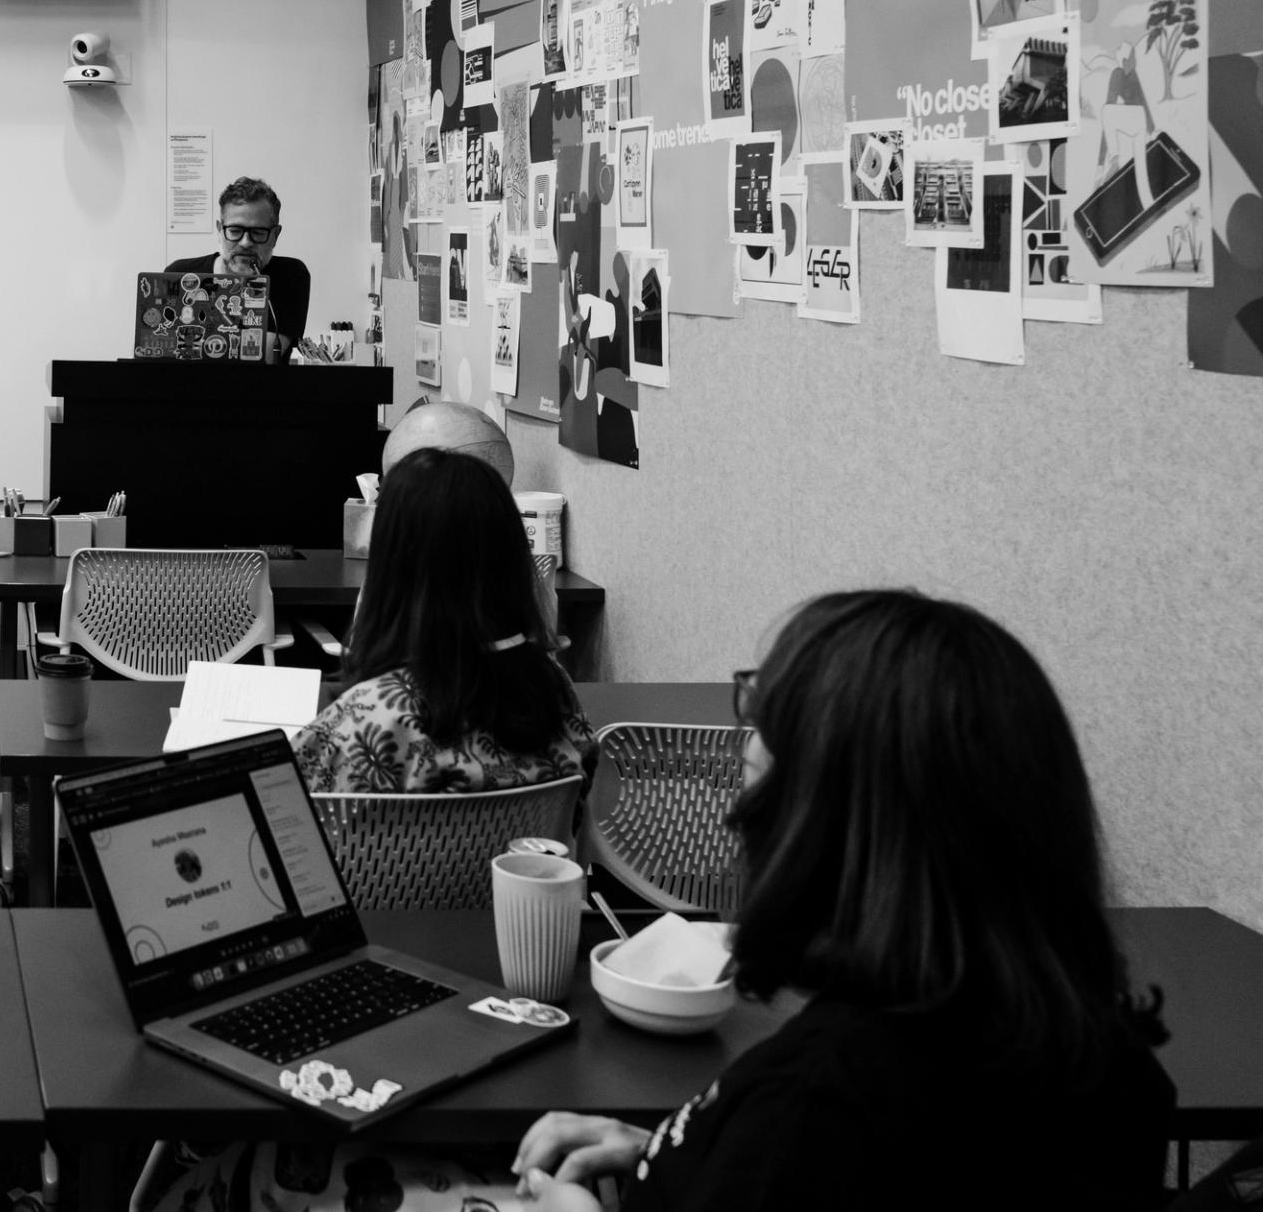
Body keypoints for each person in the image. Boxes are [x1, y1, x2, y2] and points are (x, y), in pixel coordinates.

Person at [513, 590, 1176, 1212]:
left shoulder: (813, 1109)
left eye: (763, 732)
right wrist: (665, 1153)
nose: (745, 739)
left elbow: (800, 1158)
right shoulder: (1116, 1070)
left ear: (818, 826)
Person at [292, 446, 594, 794]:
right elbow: (579, 806)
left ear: (392, 566)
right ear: (509, 559)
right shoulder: (554, 692)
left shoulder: (361, 720)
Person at [165, 176, 311, 364]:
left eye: (258, 233)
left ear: (275, 235)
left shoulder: (290, 275)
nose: (245, 242)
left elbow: (258, 358)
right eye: (235, 231)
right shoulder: (180, 274)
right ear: (220, 229)